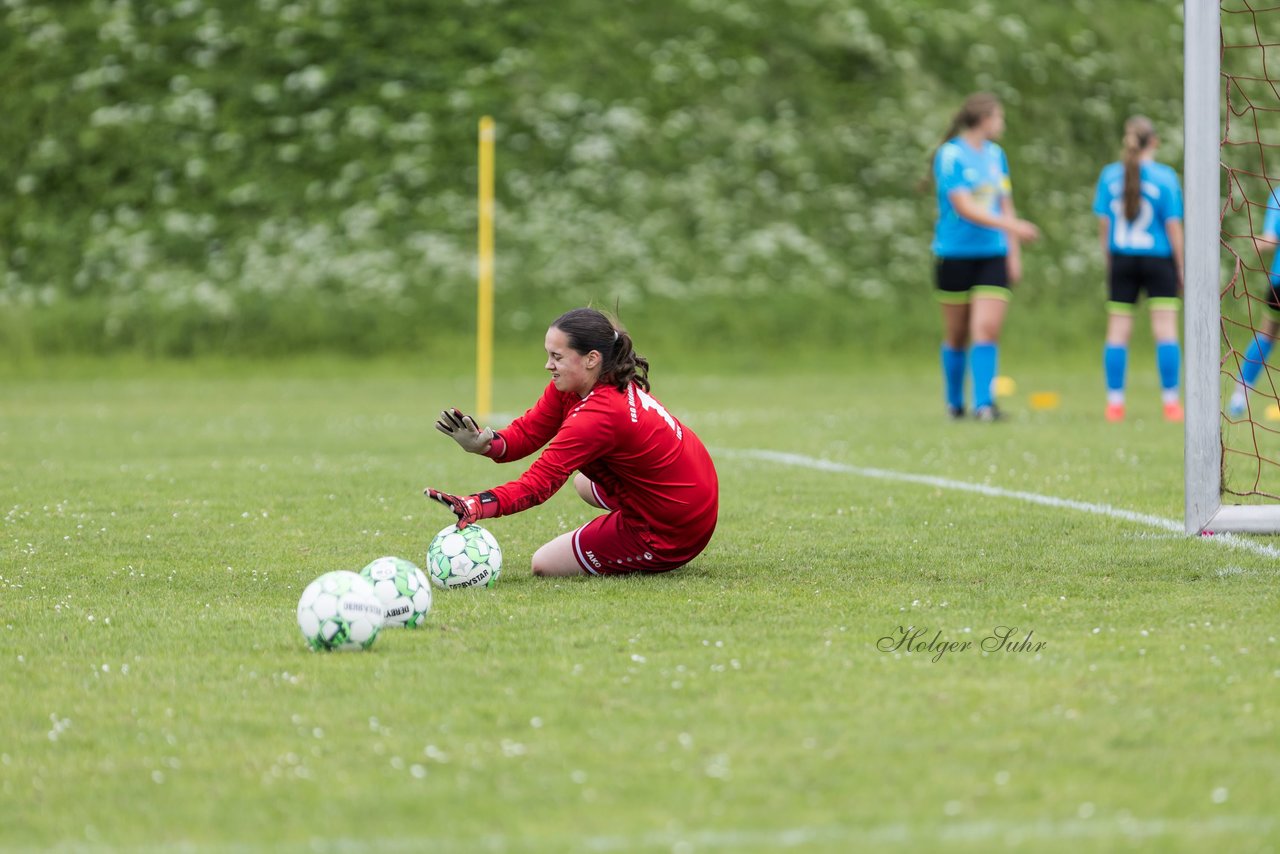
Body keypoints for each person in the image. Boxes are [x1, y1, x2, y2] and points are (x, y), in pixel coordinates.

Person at [424, 307, 719, 577]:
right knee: (582, 484)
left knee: (544, 564)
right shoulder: (582, 382)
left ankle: (643, 537)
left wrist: (477, 504)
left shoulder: (599, 415)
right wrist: (485, 445)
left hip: (675, 527)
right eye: (549, 355)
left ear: (592, 358)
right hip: (691, 490)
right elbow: (528, 432)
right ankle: (631, 516)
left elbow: (539, 484)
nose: (548, 365)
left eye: (557, 357)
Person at [928, 92, 1040, 422]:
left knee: (986, 328)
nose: (1001, 124)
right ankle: (953, 402)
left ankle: (984, 405)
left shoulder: (996, 156)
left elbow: (1005, 202)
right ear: (985, 119)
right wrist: (1014, 226)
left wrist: (1013, 251)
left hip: (993, 253)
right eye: (999, 117)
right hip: (954, 254)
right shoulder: (950, 156)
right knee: (957, 334)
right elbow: (964, 207)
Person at [1092, 115, 1186, 423]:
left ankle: (1114, 404)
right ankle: (1171, 403)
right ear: (1154, 142)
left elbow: (1104, 225)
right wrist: (1181, 267)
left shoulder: (1109, 175)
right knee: (1165, 331)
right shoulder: (1165, 177)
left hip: (1122, 259)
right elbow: (1173, 227)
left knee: (1118, 332)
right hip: (1158, 261)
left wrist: (1110, 260)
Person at [1227, 186, 1280, 417]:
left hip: (1279, 281)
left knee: (1266, 334)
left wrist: (1252, 241)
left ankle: (1240, 396)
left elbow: (1269, 240)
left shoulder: (1278, 192)